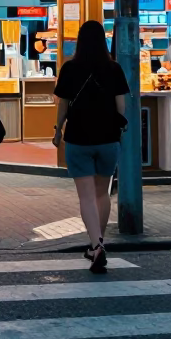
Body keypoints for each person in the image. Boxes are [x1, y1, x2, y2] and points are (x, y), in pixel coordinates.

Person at [52, 20, 128, 273]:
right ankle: (98, 243)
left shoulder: (70, 68)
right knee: (101, 192)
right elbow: (121, 107)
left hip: (78, 137)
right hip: (108, 138)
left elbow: (63, 104)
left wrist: (57, 129)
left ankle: (95, 245)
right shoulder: (114, 68)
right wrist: (120, 130)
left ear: (79, 41)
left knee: (85, 196)